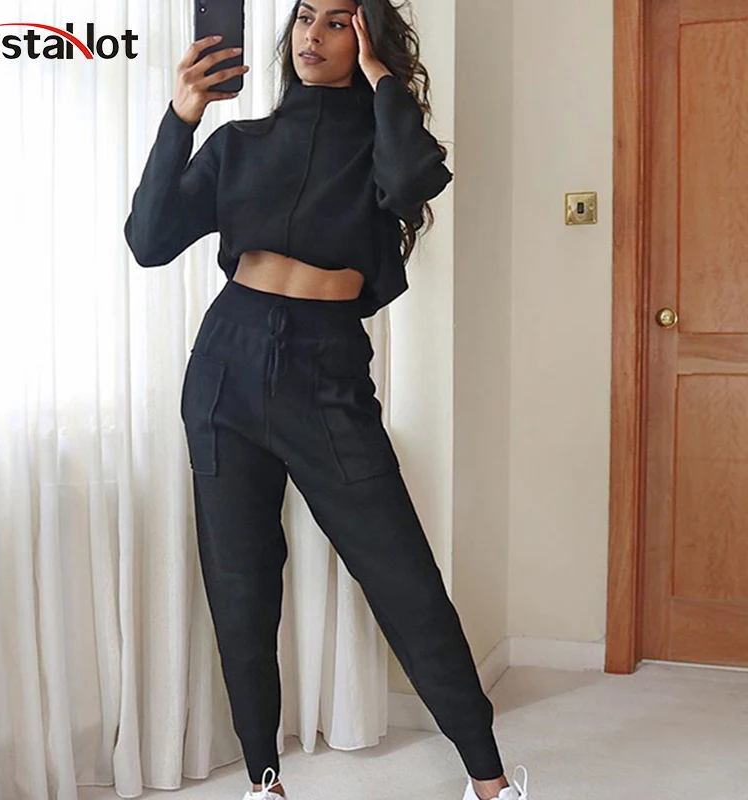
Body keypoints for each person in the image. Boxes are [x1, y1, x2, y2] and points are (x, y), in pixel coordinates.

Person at [123, 2, 530, 799]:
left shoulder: (384, 147)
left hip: (326, 369)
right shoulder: (240, 143)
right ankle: (264, 784)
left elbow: (413, 179)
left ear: (368, 37)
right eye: (305, 17)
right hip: (226, 364)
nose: (312, 34)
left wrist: (382, 81)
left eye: (338, 22)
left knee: (403, 579)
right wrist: (183, 117)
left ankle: (490, 784)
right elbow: (148, 239)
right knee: (240, 586)